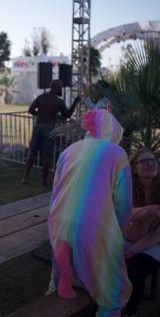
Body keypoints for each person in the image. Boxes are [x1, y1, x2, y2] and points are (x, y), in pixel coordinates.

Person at [48, 109, 133, 317]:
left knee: (67, 255)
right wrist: (119, 233)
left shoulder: (68, 151)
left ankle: (63, 280)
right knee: (114, 291)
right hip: (92, 225)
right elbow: (123, 202)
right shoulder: (117, 154)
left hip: (59, 221)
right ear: (113, 132)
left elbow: (56, 190)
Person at [21, 79, 81, 186]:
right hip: (49, 129)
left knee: (32, 153)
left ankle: (25, 177)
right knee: (47, 155)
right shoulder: (59, 101)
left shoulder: (41, 97)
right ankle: (44, 181)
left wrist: (40, 114)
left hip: (38, 127)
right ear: (58, 88)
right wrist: (75, 103)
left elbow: (30, 110)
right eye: (60, 88)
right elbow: (67, 115)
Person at [123, 148, 160, 317]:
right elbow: (119, 213)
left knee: (134, 272)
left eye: (153, 160)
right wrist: (149, 210)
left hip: (154, 244)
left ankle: (128, 313)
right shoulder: (126, 188)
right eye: (144, 161)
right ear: (133, 168)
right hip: (126, 239)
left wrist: (133, 250)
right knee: (106, 268)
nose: (151, 164)